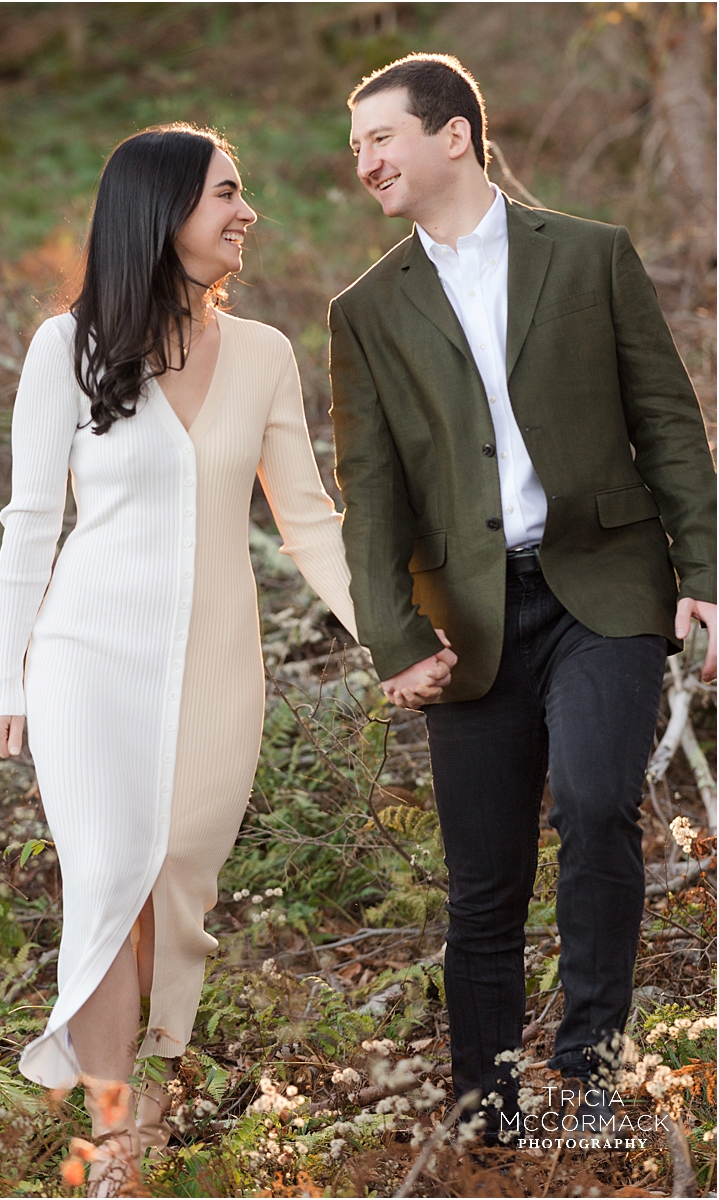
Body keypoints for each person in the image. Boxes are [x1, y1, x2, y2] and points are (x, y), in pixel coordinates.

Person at [328, 53, 716, 1140]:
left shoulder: (590, 254)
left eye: (381, 138)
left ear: (453, 134)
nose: (364, 162)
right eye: (355, 148)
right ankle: (487, 1117)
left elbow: (667, 420)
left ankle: (591, 1077)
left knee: (595, 804)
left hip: (605, 587)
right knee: (484, 882)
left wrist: (707, 576)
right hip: (467, 619)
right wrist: (394, 637)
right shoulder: (366, 311)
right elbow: (369, 493)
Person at [0, 123, 357, 1193]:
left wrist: (392, 636)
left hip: (218, 669)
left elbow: (309, 522)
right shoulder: (66, 347)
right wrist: (4, 678)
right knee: (108, 880)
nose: (247, 213)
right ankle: (115, 1144)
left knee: (174, 890)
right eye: (226, 194)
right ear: (162, 210)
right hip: (87, 660)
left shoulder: (266, 353)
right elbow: (29, 521)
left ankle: (146, 1099)